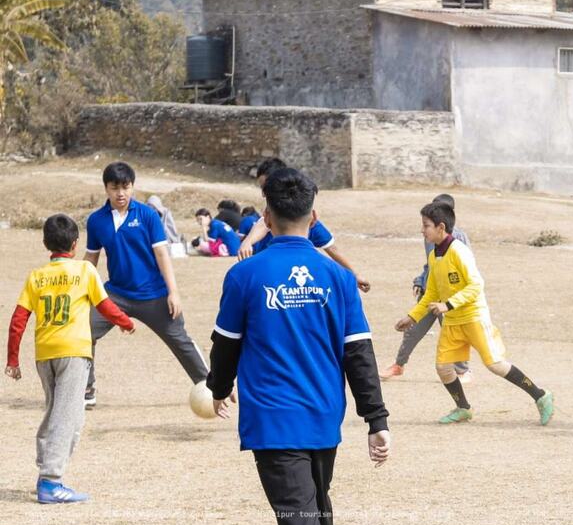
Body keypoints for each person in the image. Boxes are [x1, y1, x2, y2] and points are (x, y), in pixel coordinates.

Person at [206, 167, 391, 525]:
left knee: (301, 516)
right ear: (314, 216)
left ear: (266, 217)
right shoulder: (337, 277)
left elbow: (225, 345)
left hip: (273, 418)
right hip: (323, 415)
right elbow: (359, 353)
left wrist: (218, 387)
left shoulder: (245, 274)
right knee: (314, 506)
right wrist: (376, 419)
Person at [6, 214, 134, 503]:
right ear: (75, 244)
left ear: (45, 243)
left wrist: (13, 359)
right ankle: (51, 482)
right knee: (68, 417)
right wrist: (126, 322)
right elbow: (105, 306)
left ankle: (45, 468)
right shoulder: (85, 271)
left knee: (57, 411)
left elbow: (18, 320)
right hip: (74, 352)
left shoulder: (37, 276)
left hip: (45, 353)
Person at [394, 201, 554, 425]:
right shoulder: (434, 256)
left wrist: (448, 305)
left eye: (426, 225)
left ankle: (541, 396)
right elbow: (431, 293)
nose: (422, 230)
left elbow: (476, 285)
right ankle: (463, 408)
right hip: (453, 322)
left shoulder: (459, 251)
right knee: (443, 367)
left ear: (441, 227)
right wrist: (411, 317)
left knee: (495, 365)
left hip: (473, 318)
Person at [84, 163, 209, 408]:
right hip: (116, 294)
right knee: (83, 331)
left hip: (154, 295)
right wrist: (79, 288)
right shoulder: (96, 220)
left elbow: (162, 254)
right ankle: (87, 389)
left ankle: (211, 386)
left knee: (180, 341)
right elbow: (91, 259)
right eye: (115, 188)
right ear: (106, 188)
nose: (121, 193)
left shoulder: (147, 216)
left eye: (126, 187)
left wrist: (173, 292)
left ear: (132, 187)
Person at [238, 159, 369, 292]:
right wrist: (247, 242)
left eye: (265, 187)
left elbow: (332, 249)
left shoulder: (305, 221)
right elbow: (261, 225)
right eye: (262, 188)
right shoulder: (272, 218)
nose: (264, 194)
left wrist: (354, 274)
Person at [380, 192, 470, 381]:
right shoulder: (429, 234)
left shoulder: (458, 239)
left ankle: (463, 371)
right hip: (431, 292)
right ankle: (398, 365)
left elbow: (466, 270)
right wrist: (421, 280)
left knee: (452, 331)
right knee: (412, 329)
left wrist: (455, 298)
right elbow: (431, 264)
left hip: (449, 296)